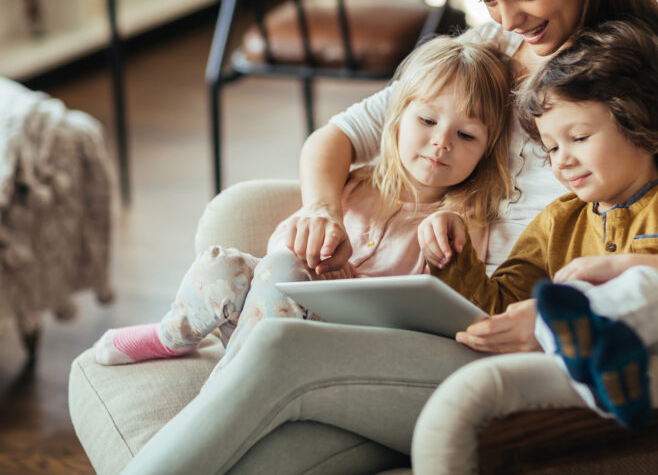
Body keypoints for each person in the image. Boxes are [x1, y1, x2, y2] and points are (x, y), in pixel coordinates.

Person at [116, 0, 658, 475]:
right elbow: (341, 136)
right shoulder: (489, 52)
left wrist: (569, 307)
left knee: (280, 348)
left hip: (533, 345)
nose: (509, 20)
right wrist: (321, 207)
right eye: (488, 0)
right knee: (278, 445)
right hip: (447, 313)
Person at [94, 35, 513, 377]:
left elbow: (426, 310)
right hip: (270, 318)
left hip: (340, 344)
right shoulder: (355, 183)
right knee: (226, 266)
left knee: (282, 272)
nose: (442, 141)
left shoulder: (458, 222)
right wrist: (309, 248)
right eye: (427, 121)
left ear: (486, 151)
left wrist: (345, 283)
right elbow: (284, 245)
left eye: (466, 135)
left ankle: (227, 391)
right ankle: (170, 337)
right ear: (397, 119)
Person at [428, 20, 658, 428]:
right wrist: (453, 255)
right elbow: (501, 306)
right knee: (548, 307)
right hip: (600, 381)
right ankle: (602, 374)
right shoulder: (556, 221)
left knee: (646, 287)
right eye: (551, 147)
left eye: (579, 138)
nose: (561, 160)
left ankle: (594, 350)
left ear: (640, 126)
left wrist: (624, 266)